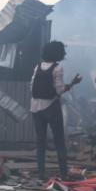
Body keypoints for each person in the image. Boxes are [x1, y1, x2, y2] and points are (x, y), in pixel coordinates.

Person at [30, 40, 81, 180]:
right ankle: (64, 174)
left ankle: (41, 174)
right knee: (59, 141)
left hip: (35, 107)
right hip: (51, 107)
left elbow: (31, 86)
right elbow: (59, 90)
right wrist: (72, 84)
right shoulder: (57, 68)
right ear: (58, 53)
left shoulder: (38, 66)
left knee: (41, 142)